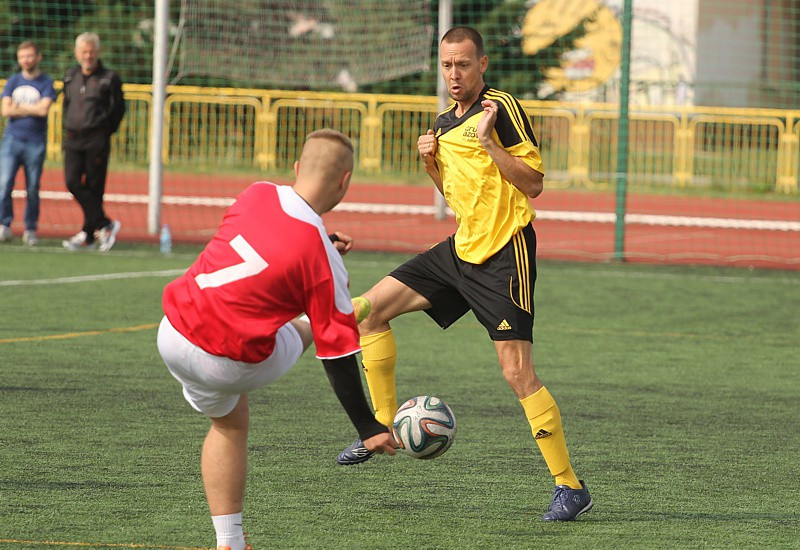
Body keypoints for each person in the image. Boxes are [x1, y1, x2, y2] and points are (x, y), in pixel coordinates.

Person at [335, 26, 593, 522]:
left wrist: (491, 143)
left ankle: (569, 487)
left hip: (504, 252)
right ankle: (380, 426)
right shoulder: (443, 122)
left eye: (464, 65)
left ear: (482, 65)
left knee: (517, 373)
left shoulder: (501, 108)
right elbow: (456, 196)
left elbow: (534, 184)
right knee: (368, 314)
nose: (454, 74)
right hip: (460, 248)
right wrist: (430, 163)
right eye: (447, 65)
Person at [157, 129, 397, 550]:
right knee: (313, 325)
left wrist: (321, 244)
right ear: (345, 182)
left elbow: (266, 247)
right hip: (229, 363)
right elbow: (337, 356)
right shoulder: (320, 257)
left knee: (229, 421)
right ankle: (338, 308)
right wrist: (367, 427)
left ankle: (229, 541)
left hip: (172, 332)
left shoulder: (256, 192)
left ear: (297, 168)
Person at [61, 32, 125, 252]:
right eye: (84, 52)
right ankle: (105, 224)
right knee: (72, 182)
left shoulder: (109, 77)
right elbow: (66, 105)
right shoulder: (70, 76)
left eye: (91, 52)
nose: (88, 56)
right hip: (73, 139)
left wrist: (105, 131)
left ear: (98, 53)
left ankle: (88, 235)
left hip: (96, 139)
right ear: (77, 53)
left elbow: (118, 109)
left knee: (95, 187)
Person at [0, 41, 56, 246]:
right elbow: (5, 110)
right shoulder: (13, 81)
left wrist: (19, 107)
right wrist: (31, 107)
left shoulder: (46, 83)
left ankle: (30, 228)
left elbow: (43, 110)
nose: (26, 60)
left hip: (35, 143)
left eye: (30, 56)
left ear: (38, 57)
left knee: (32, 188)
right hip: (11, 140)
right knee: (4, 184)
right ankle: (4, 225)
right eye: (22, 56)